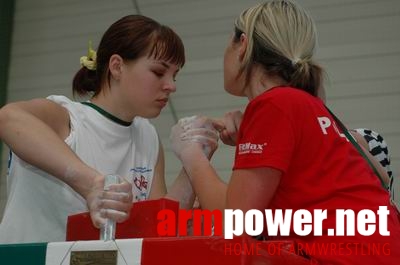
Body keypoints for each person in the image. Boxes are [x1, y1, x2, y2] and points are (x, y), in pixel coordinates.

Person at [170, 1, 400, 264]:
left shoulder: (274, 105)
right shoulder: (305, 105)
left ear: (243, 44)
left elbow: (235, 222)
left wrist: (191, 154)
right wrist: (250, 133)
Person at [0, 14, 217, 243]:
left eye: (175, 75)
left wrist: (195, 158)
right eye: (158, 72)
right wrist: (91, 183)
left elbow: (155, 230)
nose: (171, 86)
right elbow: (8, 117)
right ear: (117, 66)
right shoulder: (67, 116)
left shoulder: (148, 137)